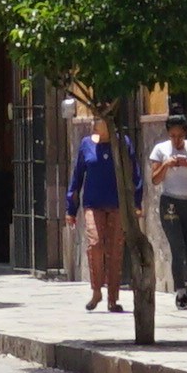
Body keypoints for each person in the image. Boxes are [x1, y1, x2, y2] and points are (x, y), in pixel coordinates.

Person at [144, 109, 187, 308]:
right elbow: (155, 180)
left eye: (180, 136)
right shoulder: (160, 150)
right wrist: (165, 164)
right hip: (170, 203)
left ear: (185, 133)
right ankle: (181, 293)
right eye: (173, 136)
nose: (177, 140)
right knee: (178, 248)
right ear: (168, 134)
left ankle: (182, 282)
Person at [65, 119, 129, 308]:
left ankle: (113, 299)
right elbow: (77, 176)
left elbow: (133, 171)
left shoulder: (122, 143)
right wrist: (71, 208)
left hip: (117, 204)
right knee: (95, 244)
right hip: (92, 204)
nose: (94, 122)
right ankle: (96, 291)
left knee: (115, 250)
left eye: (98, 119)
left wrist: (136, 202)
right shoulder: (86, 144)